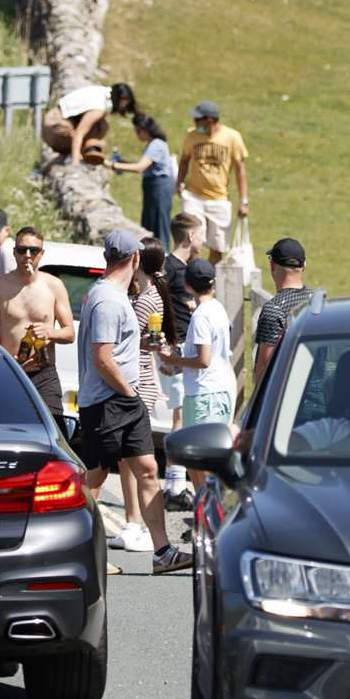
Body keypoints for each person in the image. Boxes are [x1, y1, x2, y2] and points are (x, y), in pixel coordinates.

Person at [77, 229, 190, 574]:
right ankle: (80, 554)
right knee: (93, 480)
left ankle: (162, 552)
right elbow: (103, 358)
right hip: (109, 401)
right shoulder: (108, 300)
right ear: (136, 259)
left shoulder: (114, 295)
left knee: (147, 469)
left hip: (123, 400)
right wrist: (128, 392)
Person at [110, 239, 178, 553]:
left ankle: (136, 522)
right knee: (127, 457)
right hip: (134, 378)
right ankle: (133, 520)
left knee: (134, 457)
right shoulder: (142, 294)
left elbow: (132, 340)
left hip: (139, 382)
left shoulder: (148, 299)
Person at [0, 226, 75, 436]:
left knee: (54, 433)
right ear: (14, 252)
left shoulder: (54, 286)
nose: (27, 256)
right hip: (11, 373)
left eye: (33, 250)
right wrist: (5, 359)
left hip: (45, 374)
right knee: (7, 434)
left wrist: (50, 333)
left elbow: (69, 333)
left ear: (41, 253)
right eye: (22, 250)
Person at [159, 259, 235, 490]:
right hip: (216, 392)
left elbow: (203, 360)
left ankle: (211, 514)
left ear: (187, 285)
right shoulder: (217, 308)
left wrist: (173, 359)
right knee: (201, 463)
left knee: (199, 462)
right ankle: (206, 513)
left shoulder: (202, 316)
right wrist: (178, 365)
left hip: (204, 396)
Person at [159, 212, 202, 506]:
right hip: (179, 347)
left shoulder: (181, 268)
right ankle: (175, 486)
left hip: (183, 347)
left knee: (181, 415)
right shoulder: (171, 268)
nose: (204, 239)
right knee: (179, 417)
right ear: (189, 235)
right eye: (201, 233)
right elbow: (160, 308)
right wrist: (167, 348)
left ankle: (176, 482)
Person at [174, 100, 249, 264]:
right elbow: (184, 160)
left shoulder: (232, 137)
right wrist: (179, 182)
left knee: (218, 246)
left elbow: (240, 169)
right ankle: (189, 280)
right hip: (194, 197)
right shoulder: (192, 136)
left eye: (197, 119)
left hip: (219, 199)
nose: (194, 122)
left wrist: (244, 201)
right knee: (190, 240)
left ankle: (209, 283)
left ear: (209, 120)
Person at [109, 113, 176, 247]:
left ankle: (163, 257)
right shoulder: (152, 144)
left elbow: (140, 167)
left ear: (146, 129)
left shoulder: (156, 144)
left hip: (159, 189)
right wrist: (124, 163)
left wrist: (112, 165)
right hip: (153, 188)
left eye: (138, 131)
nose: (137, 134)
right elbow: (146, 167)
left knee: (159, 227)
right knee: (150, 225)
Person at [253, 237, 312, 385]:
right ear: (303, 266)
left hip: (286, 402)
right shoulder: (317, 302)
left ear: (272, 265)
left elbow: (263, 371)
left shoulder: (274, 310)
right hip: (319, 400)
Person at [42, 82, 137, 164]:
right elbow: (79, 133)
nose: (124, 106)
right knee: (101, 127)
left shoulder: (103, 93)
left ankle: (84, 152)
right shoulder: (100, 108)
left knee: (102, 124)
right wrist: (75, 162)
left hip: (56, 119)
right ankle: (84, 153)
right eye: (123, 102)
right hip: (56, 125)